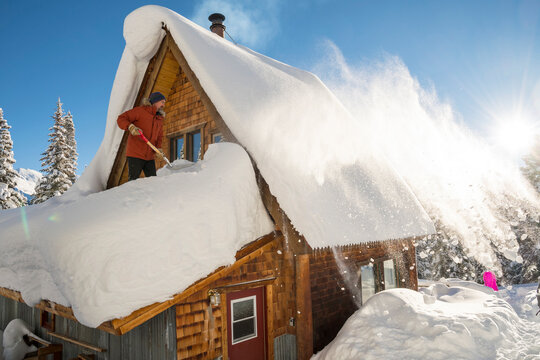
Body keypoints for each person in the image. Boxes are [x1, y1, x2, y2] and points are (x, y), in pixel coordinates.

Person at [117, 92, 166, 181]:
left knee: (152, 182)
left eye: (164, 102)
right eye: (162, 102)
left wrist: (158, 149)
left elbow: (159, 136)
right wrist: (130, 127)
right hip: (136, 154)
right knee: (133, 181)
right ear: (155, 101)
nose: (163, 104)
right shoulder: (140, 111)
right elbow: (121, 118)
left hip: (149, 156)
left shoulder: (159, 119)